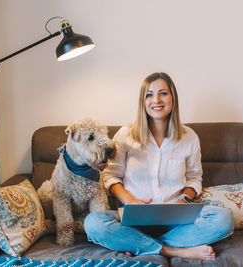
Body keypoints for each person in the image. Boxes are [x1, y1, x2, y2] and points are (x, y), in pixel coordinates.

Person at [84, 72, 234, 260]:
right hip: (133, 219)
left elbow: (194, 179)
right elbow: (110, 176)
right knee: (93, 223)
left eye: (163, 93)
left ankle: (136, 243)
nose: (156, 100)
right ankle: (172, 250)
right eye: (149, 94)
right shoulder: (125, 135)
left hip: (176, 221)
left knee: (224, 218)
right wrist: (130, 200)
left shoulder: (189, 137)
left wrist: (183, 201)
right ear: (143, 101)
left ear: (173, 98)